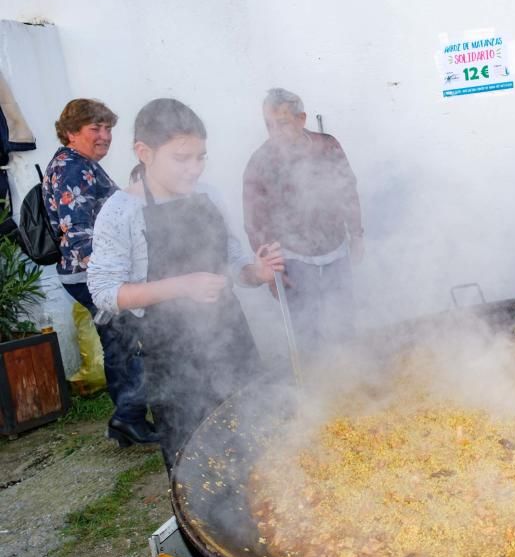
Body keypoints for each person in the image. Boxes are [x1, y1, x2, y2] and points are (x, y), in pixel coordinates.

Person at [88, 98, 283, 469]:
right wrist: (182, 286)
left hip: (231, 339)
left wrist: (256, 273)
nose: (195, 169)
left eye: (201, 157)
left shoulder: (209, 195)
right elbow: (106, 293)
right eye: (182, 158)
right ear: (144, 152)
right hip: (172, 354)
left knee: (255, 439)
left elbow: (234, 262)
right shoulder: (120, 212)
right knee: (195, 458)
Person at [42, 99, 153, 447]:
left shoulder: (78, 164)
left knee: (120, 343)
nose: (105, 136)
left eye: (108, 128)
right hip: (92, 276)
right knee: (128, 343)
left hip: (89, 276)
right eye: (95, 128)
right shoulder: (74, 168)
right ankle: (128, 418)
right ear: (72, 132)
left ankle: (128, 418)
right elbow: (79, 234)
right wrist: (113, 282)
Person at [242, 88, 363, 349]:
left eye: (282, 123)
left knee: (344, 322)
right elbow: (255, 221)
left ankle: (353, 373)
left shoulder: (328, 145)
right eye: (269, 125)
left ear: (301, 119)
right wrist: (272, 271)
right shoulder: (259, 162)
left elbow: (347, 189)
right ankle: (317, 381)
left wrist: (357, 236)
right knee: (308, 331)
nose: (275, 132)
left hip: (336, 252)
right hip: (295, 260)